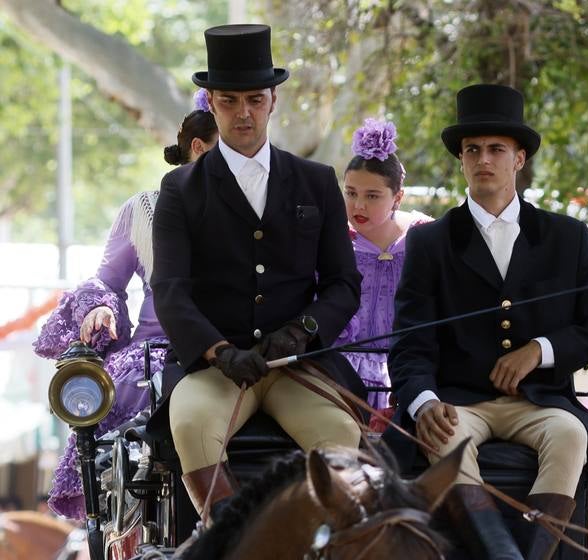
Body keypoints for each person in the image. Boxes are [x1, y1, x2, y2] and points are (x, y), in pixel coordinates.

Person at [388, 84, 588, 560]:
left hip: (540, 402)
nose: (484, 160)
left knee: (571, 435)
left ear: (519, 159)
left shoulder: (566, 237)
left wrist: (541, 350)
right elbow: (410, 343)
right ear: (461, 160)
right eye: (472, 150)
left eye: (496, 149)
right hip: (458, 402)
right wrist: (424, 402)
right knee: (443, 437)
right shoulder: (430, 242)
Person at [151, 24, 364, 518]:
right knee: (191, 426)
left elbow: (343, 283)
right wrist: (220, 351)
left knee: (341, 433)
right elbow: (170, 291)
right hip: (216, 369)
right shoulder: (180, 189)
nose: (243, 113)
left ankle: (317, 547)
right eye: (229, 101)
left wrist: (302, 330)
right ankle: (226, 543)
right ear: (211, 103)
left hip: (296, 365)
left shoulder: (316, 181)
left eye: (255, 100)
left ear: (273, 101)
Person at [34, 101, 218, 519]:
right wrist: (100, 307)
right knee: (131, 390)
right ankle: (129, 515)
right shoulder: (144, 209)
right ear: (199, 148)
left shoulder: (252, 209)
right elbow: (107, 280)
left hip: (230, 347)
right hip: (157, 351)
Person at [337, 118, 431, 413]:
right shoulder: (335, 243)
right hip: (342, 369)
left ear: (397, 197)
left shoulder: (423, 239)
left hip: (407, 368)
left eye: (372, 196)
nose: (358, 206)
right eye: (351, 193)